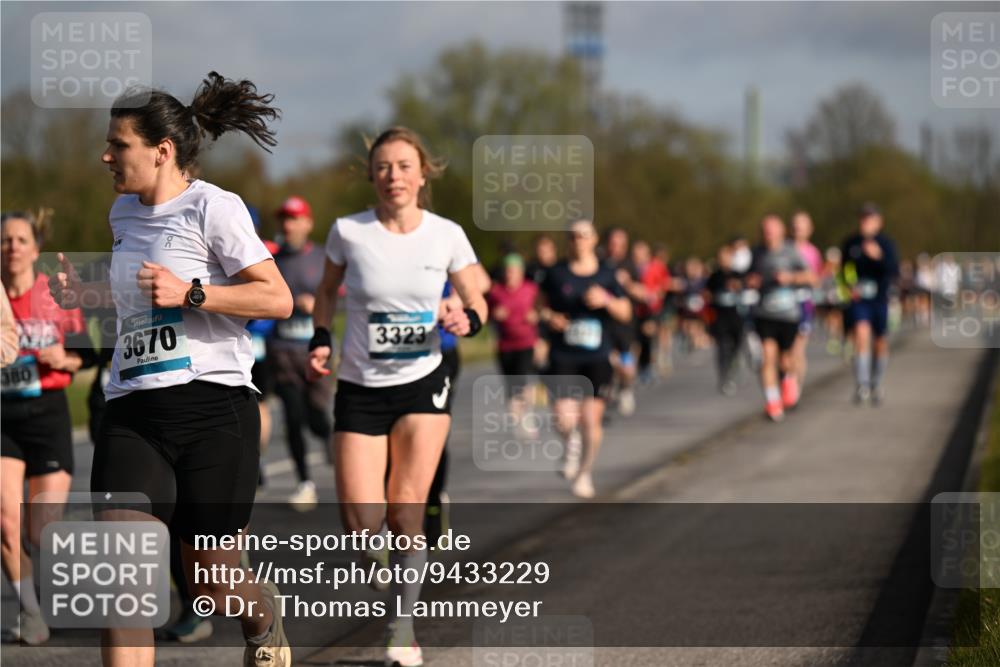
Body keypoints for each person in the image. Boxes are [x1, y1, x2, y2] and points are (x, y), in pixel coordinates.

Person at [50, 72, 294, 667]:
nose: (106, 155)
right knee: (123, 588)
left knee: (212, 584)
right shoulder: (121, 213)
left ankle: (262, 616)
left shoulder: (215, 207)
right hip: (133, 412)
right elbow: (139, 303)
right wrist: (86, 296)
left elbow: (277, 298)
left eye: (118, 144)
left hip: (213, 411)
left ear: (161, 151)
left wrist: (192, 293)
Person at [306, 126, 487, 667]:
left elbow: (477, 297)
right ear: (371, 175)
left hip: (423, 382)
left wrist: (468, 317)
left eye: (404, 166)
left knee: (405, 510)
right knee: (361, 525)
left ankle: (402, 629)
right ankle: (390, 570)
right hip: (360, 386)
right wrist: (321, 336)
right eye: (383, 167)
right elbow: (325, 292)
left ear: (423, 173)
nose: (394, 176)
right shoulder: (348, 231)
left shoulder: (446, 234)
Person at [2, 210, 95, 645]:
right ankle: (32, 613)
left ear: (35, 249)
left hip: (48, 414)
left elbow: (87, 355)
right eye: (5, 240)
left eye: (21, 240)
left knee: (43, 530)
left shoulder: (52, 296)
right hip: (3, 415)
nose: (12, 247)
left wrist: (66, 358)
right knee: (7, 523)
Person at [538, 219, 631, 498]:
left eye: (584, 235)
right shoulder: (556, 273)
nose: (578, 240)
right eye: (573, 236)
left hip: (597, 355)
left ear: (594, 239)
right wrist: (550, 317)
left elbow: (625, 312)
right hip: (564, 354)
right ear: (568, 241)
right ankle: (571, 442)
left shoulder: (606, 274)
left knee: (591, 420)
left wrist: (606, 300)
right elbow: (538, 307)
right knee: (563, 419)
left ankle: (584, 473)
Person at [269, 195, 333, 510]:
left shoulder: (323, 257)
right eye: (284, 219)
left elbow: (341, 297)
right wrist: (291, 304)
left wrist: (316, 304)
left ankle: (328, 437)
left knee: (315, 416)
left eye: (295, 219)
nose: (288, 225)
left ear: (308, 223)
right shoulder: (271, 259)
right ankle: (305, 483)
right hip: (282, 351)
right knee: (293, 417)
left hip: (315, 351)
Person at [746, 215, 814, 422]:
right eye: (765, 231)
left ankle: (789, 381)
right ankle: (773, 401)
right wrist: (751, 281)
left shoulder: (791, 251)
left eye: (772, 230)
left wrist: (790, 278)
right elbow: (747, 277)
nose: (768, 234)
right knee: (767, 357)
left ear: (781, 231)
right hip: (764, 313)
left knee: (786, 360)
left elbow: (812, 277)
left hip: (789, 315)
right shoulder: (756, 253)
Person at [840, 203, 899, 405]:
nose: (865, 223)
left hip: (880, 298)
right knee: (861, 334)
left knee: (880, 341)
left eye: (870, 219)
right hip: (860, 299)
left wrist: (879, 257)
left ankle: (877, 382)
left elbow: (894, 270)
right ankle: (862, 384)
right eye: (863, 218)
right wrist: (849, 285)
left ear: (879, 222)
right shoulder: (851, 243)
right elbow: (844, 269)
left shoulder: (886, 243)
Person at [487, 254, 539, 428]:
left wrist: (536, 316)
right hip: (505, 344)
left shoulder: (531, 289)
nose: (510, 274)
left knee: (522, 380)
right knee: (510, 383)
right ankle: (517, 420)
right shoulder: (496, 291)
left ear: (521, 272)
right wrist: (494, 315)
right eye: (508, 271)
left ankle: (526, 415)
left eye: (514, 271)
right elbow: (485, 313)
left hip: (526, 342)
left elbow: (542, 308)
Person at [601, 227, 638, 416]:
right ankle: (608, 390)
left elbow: (643, 292)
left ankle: (625, 389)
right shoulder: (598, 263)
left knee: (626, 365)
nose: (616, 247)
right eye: (613, 243)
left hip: (624, 325)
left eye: (621, 244)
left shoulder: (630, 265)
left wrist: (628, 283)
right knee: (606, 360)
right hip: (603, 322)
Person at [626, 240, 670, 385]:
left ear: (647, 254)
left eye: (641, 253)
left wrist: (655, 294)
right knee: (635, 340)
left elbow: (664, 285)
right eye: (635, 254)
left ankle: (648, 366)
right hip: (633, 309)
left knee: (648, 336)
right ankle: (634, 368)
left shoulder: (656, 267)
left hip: (651, 309)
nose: (638, 256)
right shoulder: (627, 268)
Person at [705, 243, 745, 395]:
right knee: (722, 347)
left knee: (737, 343)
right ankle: (724, 375)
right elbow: (707, 293)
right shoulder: (714, 276)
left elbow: (746, 289)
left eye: (727, 257)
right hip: (720, 317)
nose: (724, 260)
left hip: (736, 315)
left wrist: (738, 287)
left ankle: (733, 363)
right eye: (722, 257)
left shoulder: (738, 274)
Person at [790, 211, 822, 385]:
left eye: (801, 225)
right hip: (783, 304)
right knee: (785, 350)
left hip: (804, 304)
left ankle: (795, 386)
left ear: (810, 229)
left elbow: (816, 280)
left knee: (797, 348)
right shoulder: (784, 249)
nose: (798, 228)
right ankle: (787, 382)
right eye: (795, 224)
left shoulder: (813, 252)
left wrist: (794, 278)